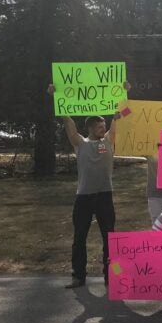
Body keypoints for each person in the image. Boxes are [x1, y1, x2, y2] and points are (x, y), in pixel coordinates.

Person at [63, 113, 119, 289]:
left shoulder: (108, 141)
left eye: (104, 126)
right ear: (90, 128)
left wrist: (123, 96)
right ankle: (78, 276)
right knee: (79, 237)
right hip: (84, 197)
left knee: (109, 237)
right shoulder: (80, 144)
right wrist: (60, 103)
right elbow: (69, 124)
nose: (104, 128)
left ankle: (110, 277)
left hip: (104, 195)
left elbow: (119, 118)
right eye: (100, 126)